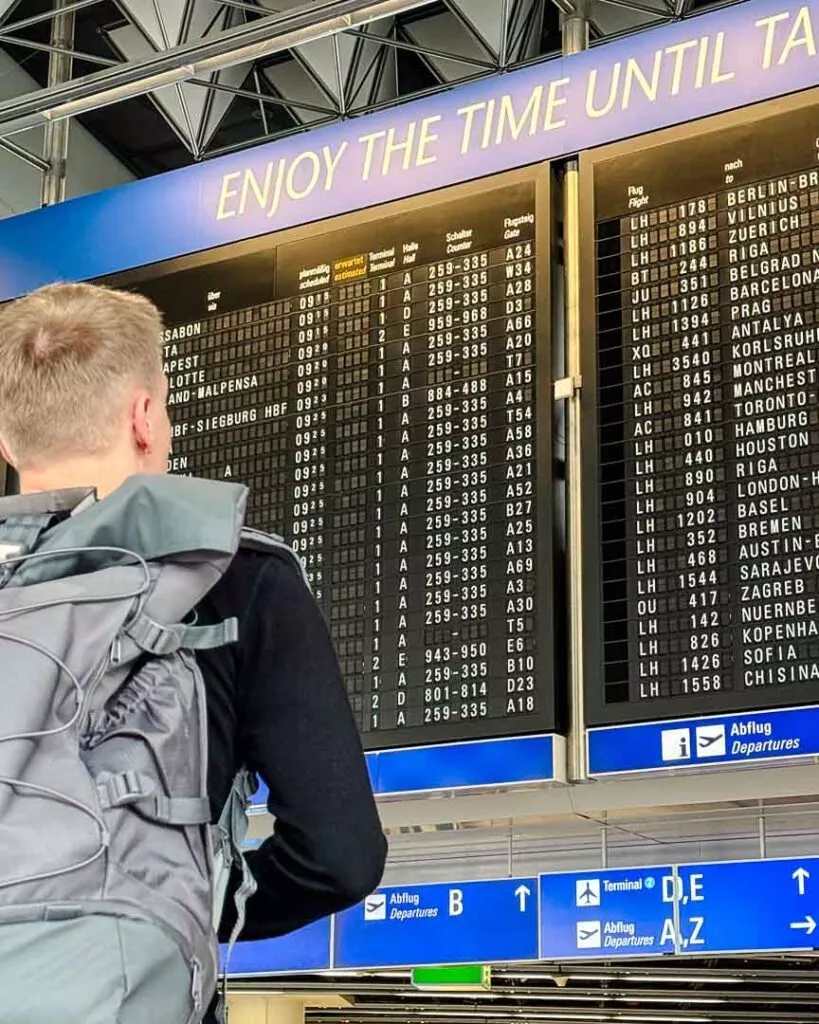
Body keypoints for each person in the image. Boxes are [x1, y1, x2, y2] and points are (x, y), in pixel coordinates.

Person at [0, 282, 387, 1022]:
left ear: (7, 440)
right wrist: (180, 900)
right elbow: (339, 854)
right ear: (146, 418)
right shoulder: (237, 574)